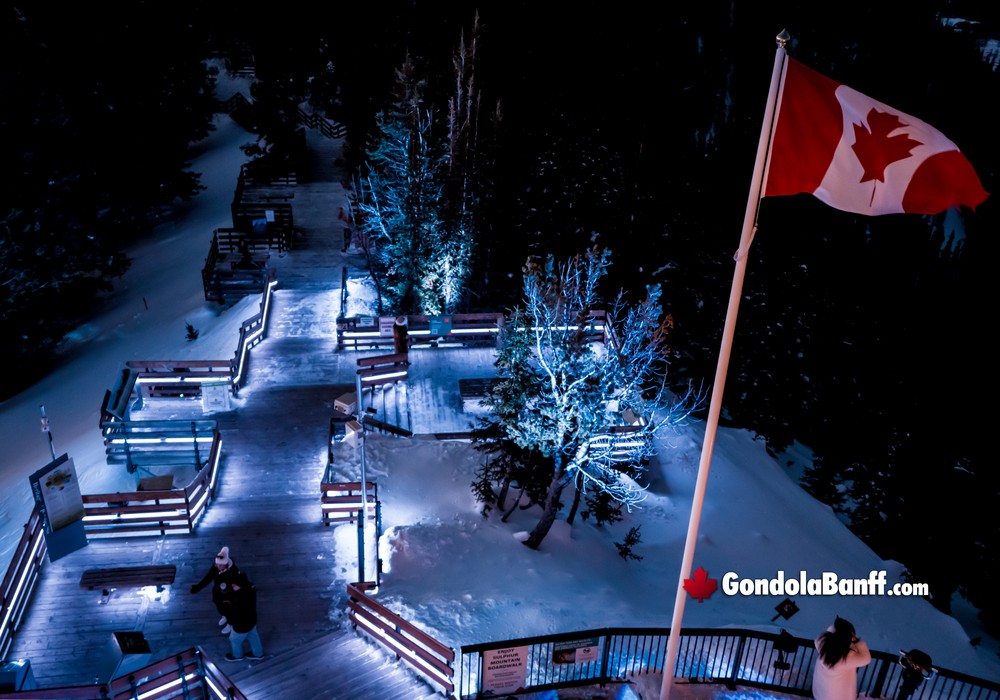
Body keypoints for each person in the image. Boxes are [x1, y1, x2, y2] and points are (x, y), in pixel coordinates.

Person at [189, 546, 248, 635]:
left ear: (226, 564)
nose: (218, 567)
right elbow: (208, 578)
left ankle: (230, 623)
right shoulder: (215, 567)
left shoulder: (234, 571)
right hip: (218, 592)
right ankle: (224, 616)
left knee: (229, 609)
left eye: (221, 565)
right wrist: (198, 587)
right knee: (219, 605)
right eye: (217, 564)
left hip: (229, 594)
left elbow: (240, 583)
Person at [812, 616, 872, 700]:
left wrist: (835, 630)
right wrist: (857, 642)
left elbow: (826, 634)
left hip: (821, 693)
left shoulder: (823, 644)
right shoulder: (847, 657)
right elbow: (866, 659)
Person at [225, 573, 264, 661]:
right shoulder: (251, 587)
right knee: (253, 636)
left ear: (241, 585)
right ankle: (258, 654)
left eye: (235, 584)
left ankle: (237, 655)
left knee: (234, 640)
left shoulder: (238, 599)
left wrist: (230, 622)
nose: (232, 585)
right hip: (252, 620)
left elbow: (233, 613)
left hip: (241, 625)